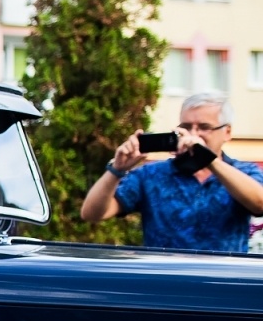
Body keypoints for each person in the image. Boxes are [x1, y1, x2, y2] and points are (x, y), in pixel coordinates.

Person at [81, 92, 263, 252]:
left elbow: (259, 203)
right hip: (165, 282)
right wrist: (116, 169)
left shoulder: (243, 172)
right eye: (187, 126)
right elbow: (92, 214)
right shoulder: (150, 175)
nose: (193, 134)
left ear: (227, 132)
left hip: (225, 283)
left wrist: (208, 160)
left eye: (204, 127)